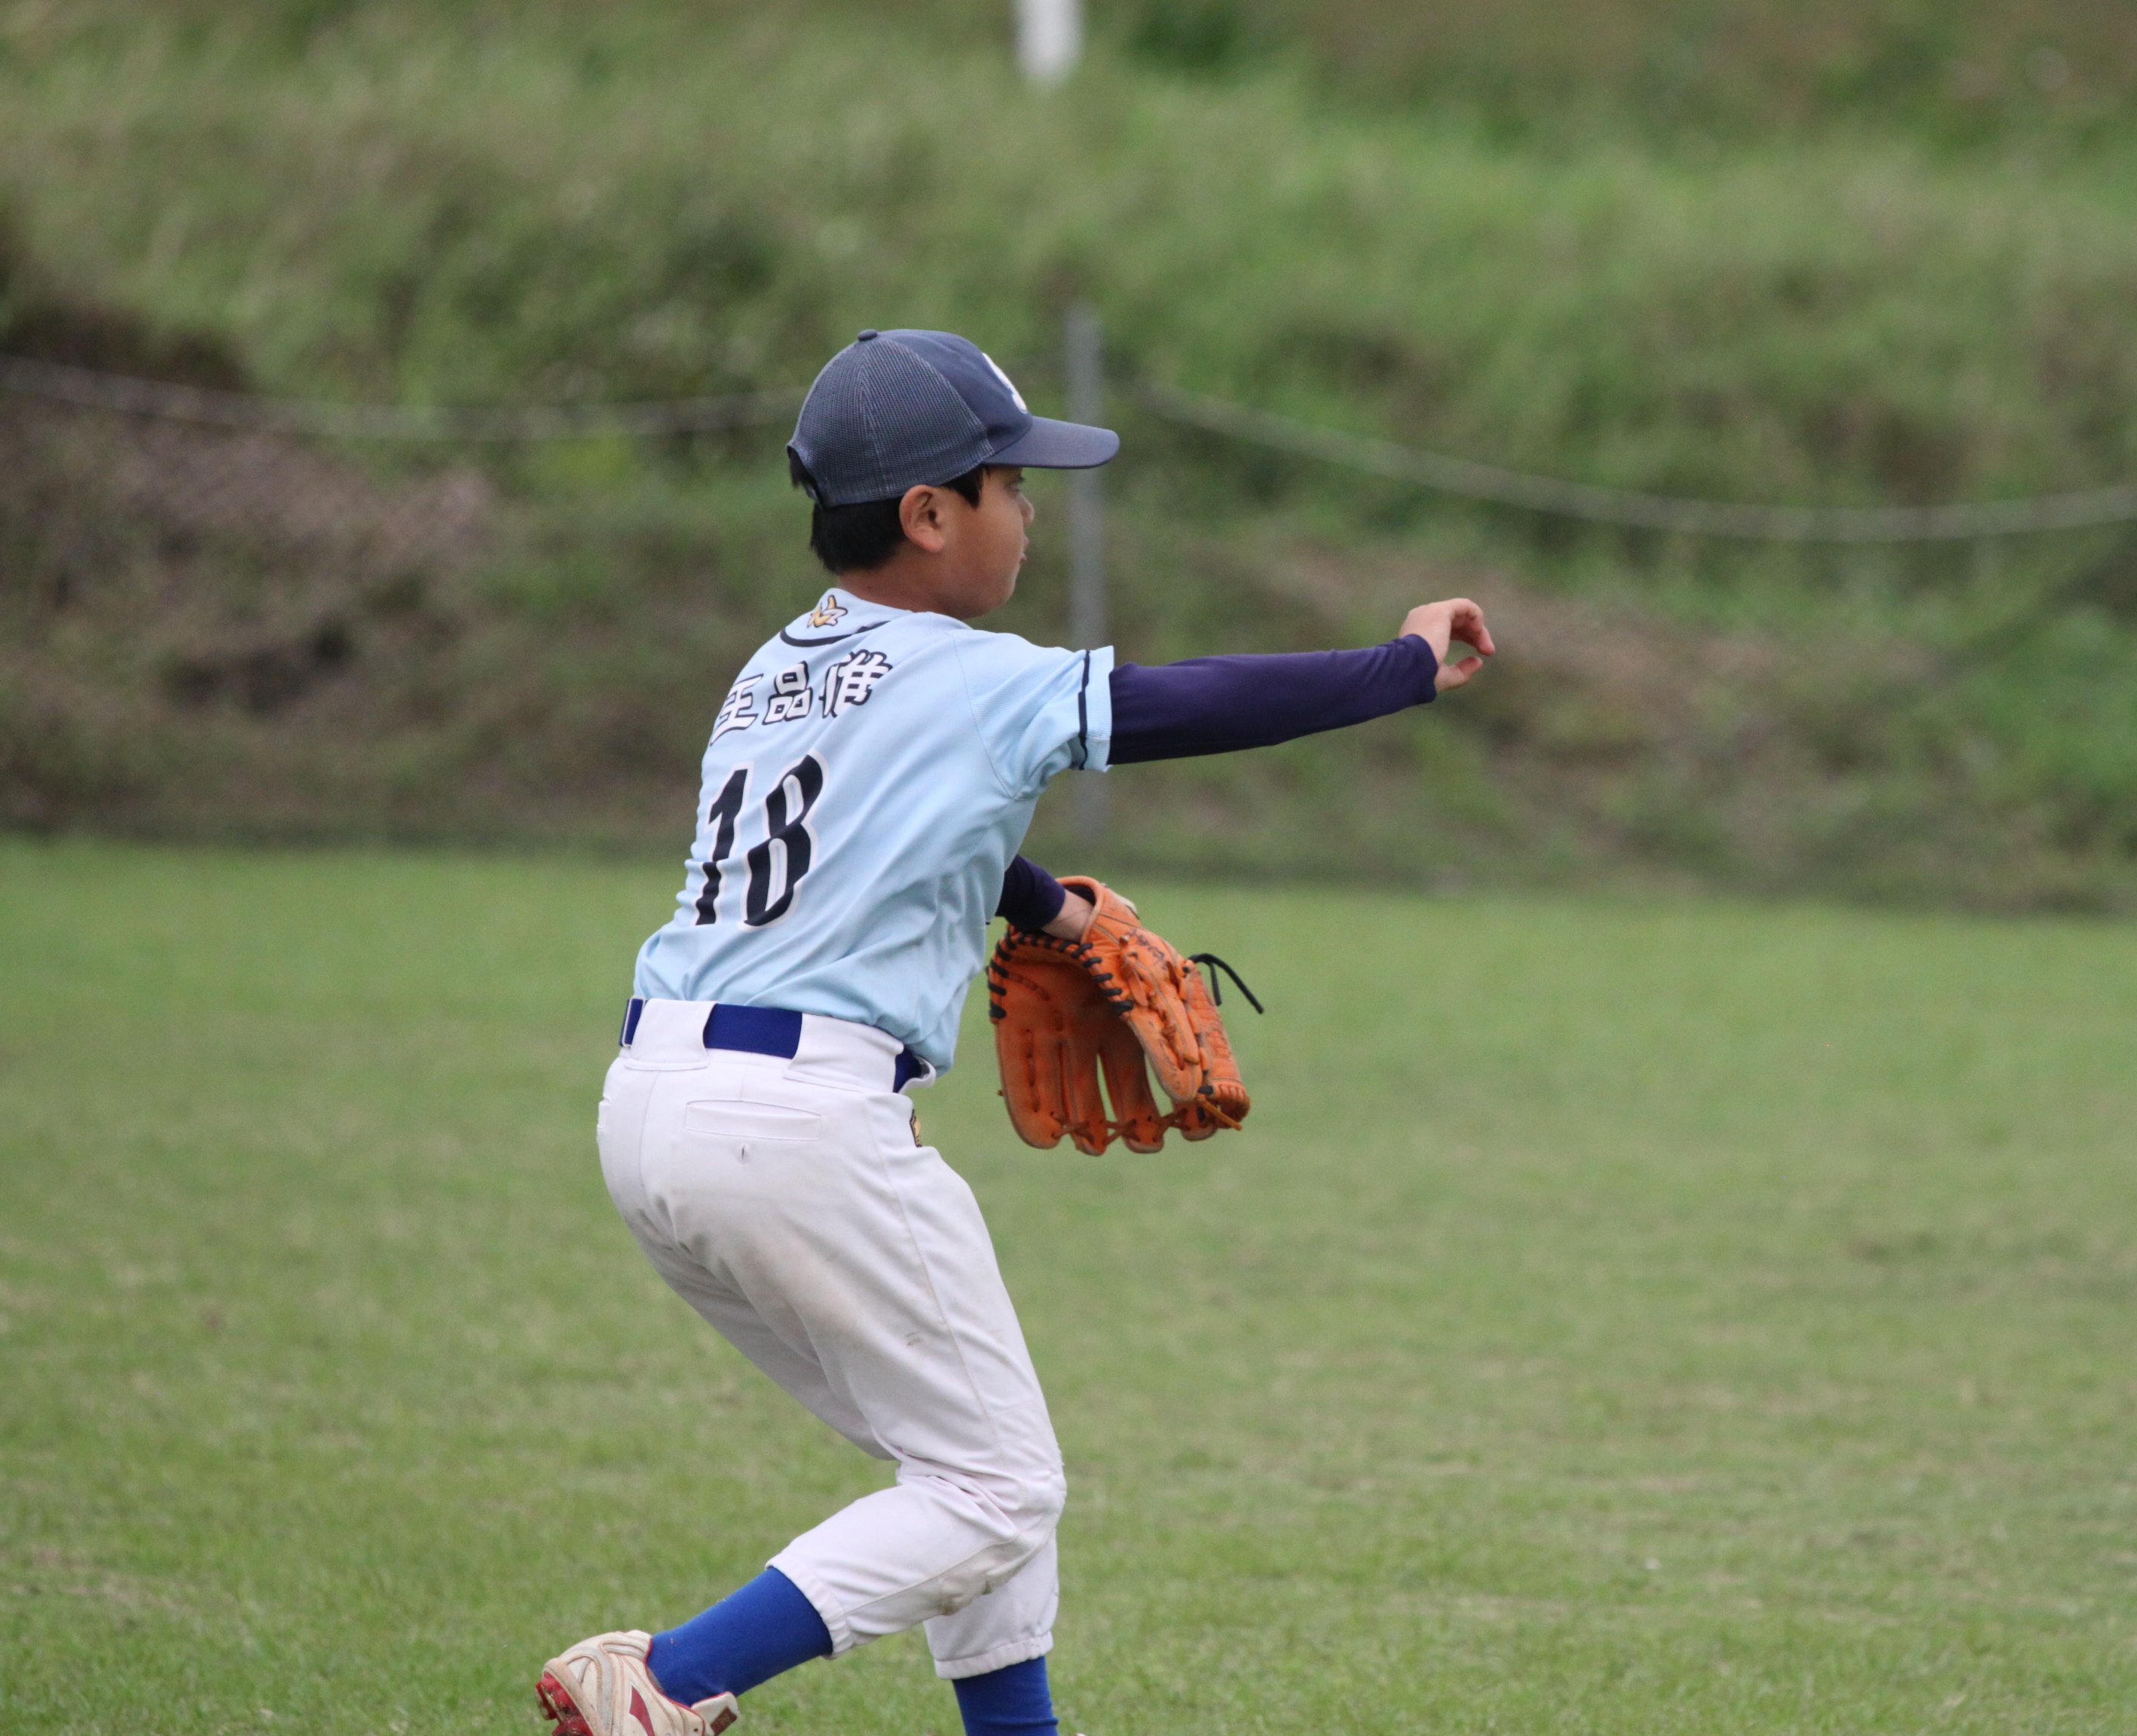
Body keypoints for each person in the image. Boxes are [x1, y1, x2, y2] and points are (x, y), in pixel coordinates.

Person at [536, 328, 1493, 1736]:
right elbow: (1184, 704)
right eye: (1010, 484)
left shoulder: (774, 670)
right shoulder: (974, 675)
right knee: (995, 1485)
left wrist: (1050, 910)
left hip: (653, 1108)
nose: (1030, 512)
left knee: (971, 1465)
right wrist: (1398, 664)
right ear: (930, 514)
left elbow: (916, 832)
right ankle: (666, 1681)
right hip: (800, 1127)